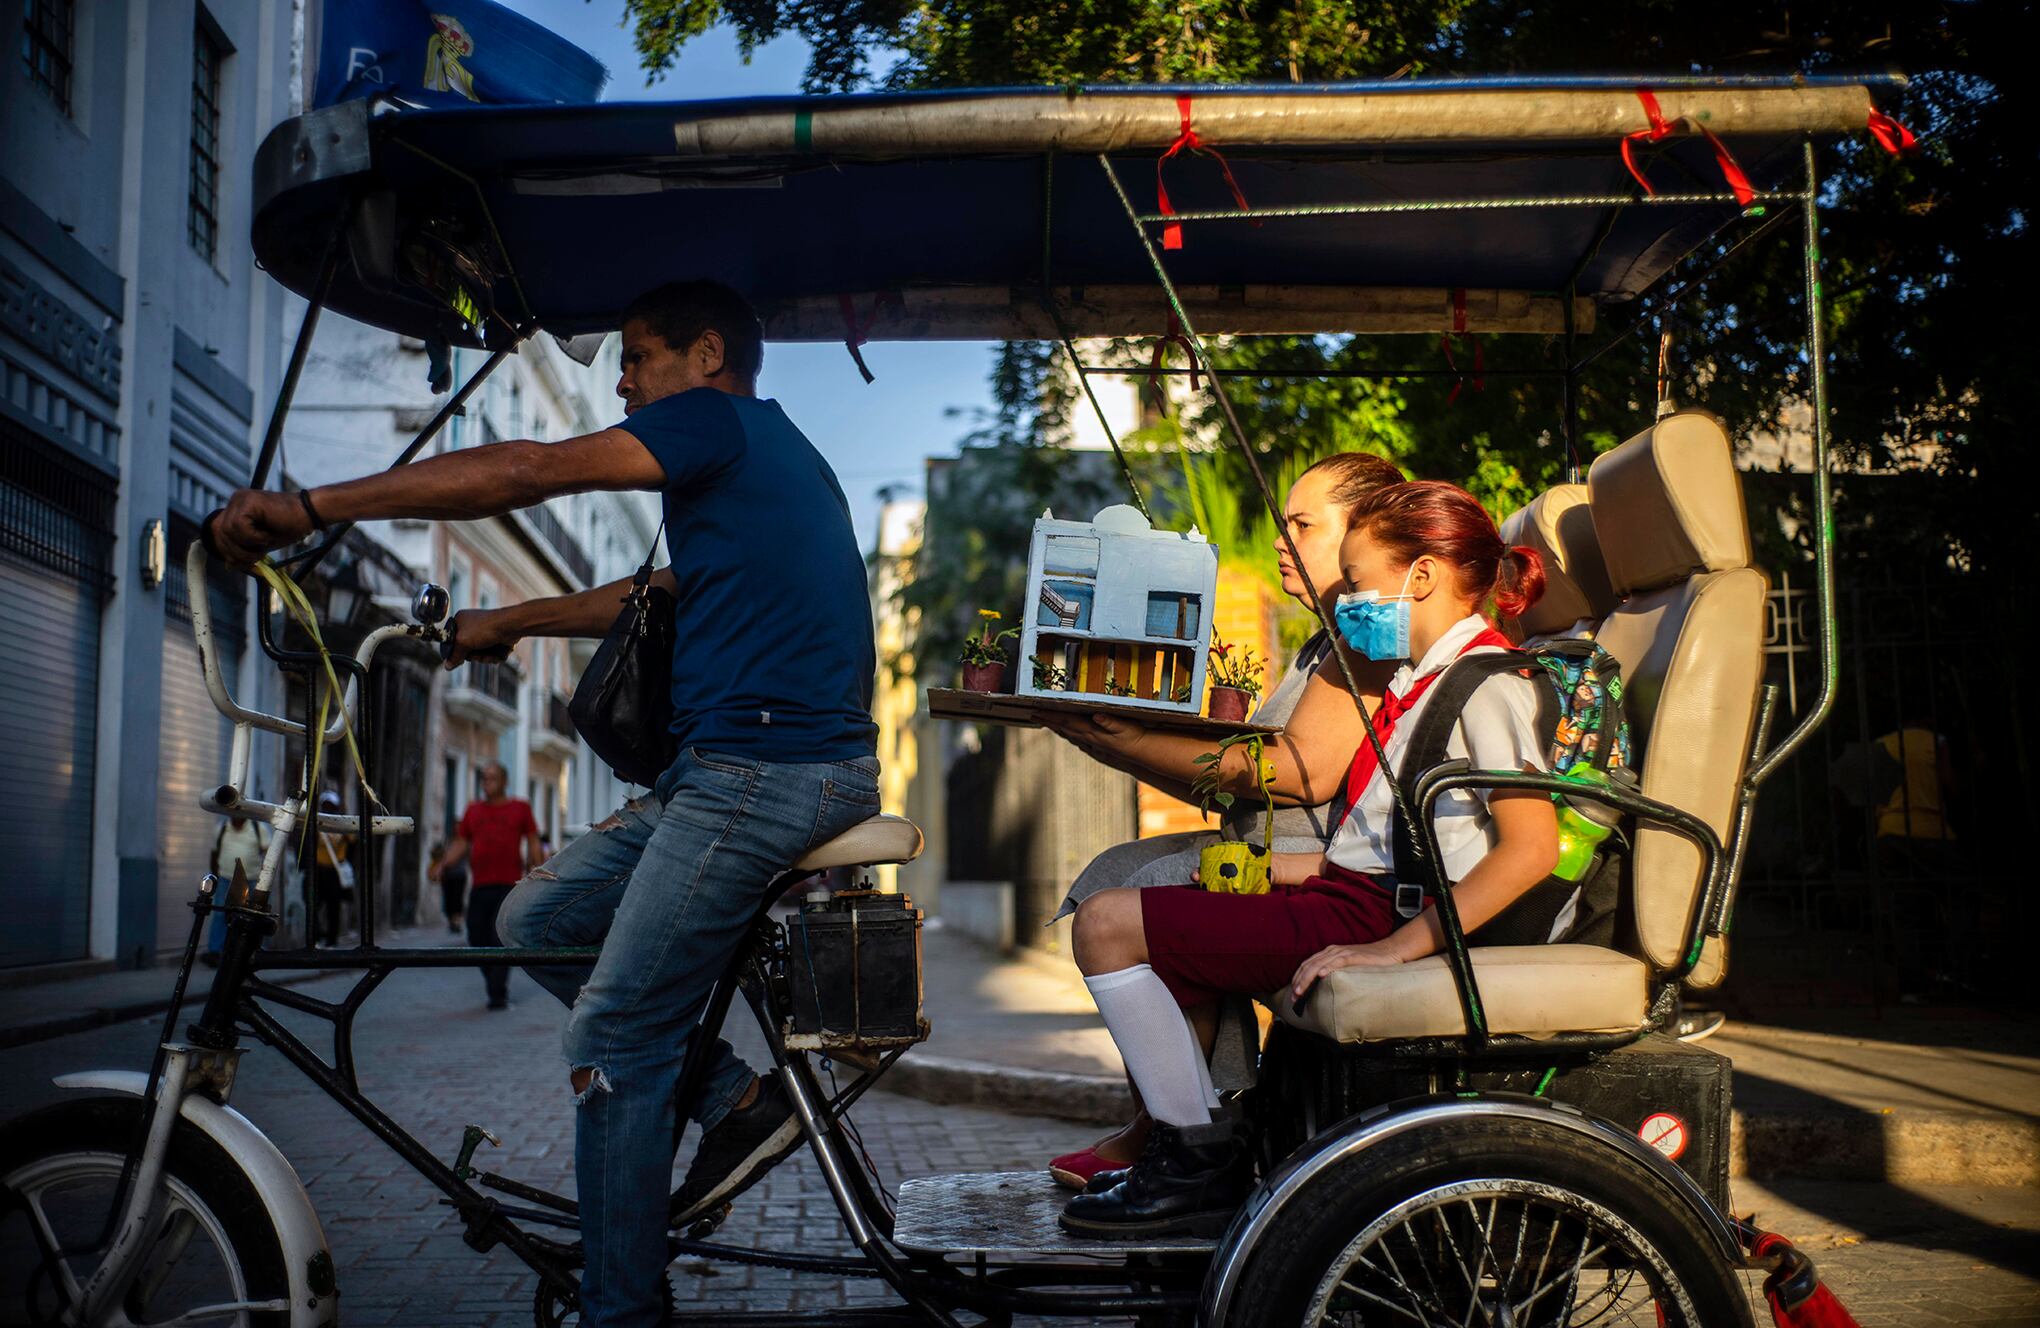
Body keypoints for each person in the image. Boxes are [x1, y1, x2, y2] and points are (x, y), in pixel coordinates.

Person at [208, 278, 878, 1328]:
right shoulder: (760, 461)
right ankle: (733, 1100)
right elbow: (661, 593)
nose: (622, 382)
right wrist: (515, 618)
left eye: (638, 358)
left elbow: (528, 468)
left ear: (707, 355)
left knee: (614, 1035)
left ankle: (620, 1310)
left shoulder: (718, 423)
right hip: (729, 770)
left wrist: (310, 509)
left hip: (765, 771)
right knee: (532, 916)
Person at [1058, 481, 1559, 1238]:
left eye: (1357, 584)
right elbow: (1391, 839)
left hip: (1373, 915)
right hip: (1349, 894)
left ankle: (1196, 1162)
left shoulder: (1487, 686)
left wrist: (1396, 947)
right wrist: (1281, 870)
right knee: (1135, 906)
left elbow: (1530, 848)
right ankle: (1200, 1144)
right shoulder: (1419, 681)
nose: (1347, 603)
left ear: (1421, 577)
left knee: (1104, 927)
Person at [1036, 452, 1403, 1187]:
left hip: (1306, 864)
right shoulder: (1321, 640)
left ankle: (1186, 1134)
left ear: (1365, 532)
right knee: (1115, 871)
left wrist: (1129, 742)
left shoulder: (1363, 639)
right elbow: (1239, 781)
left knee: (1141, 895)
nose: (1281, 540)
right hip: (1259, 843)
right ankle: (1174, 1113)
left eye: (1302, 525)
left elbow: (1299, 775)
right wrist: (1113, 744)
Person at [432, 763, 544, 1009]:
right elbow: (461, 843)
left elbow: (533, 841)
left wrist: (538, 869)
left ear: (504, 782)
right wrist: (443, 865)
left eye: (492, 778)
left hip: (509, 887)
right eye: (484, 778)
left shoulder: (520, 808)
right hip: (480, 886)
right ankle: (495, 981)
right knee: (476, 936)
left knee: (499, 938)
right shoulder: (473, 810)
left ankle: (497, 993)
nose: (486, 782)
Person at [203, 811, 270, 966]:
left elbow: (268, 853)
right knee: (220, 914)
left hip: (252, 880)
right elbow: (214, 854)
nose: (237, 816)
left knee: (252, 915)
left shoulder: (258, 828)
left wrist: (264, 878)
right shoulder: (221, 828)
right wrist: (215, 878)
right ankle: (215, 952)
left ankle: (251, 951)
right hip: (225, 879)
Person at [310, 790, 355, 948]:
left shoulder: (342, 824)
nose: (328, 809)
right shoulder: (316, 822)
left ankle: (331, 939)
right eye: (326, 806)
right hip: (318, 869)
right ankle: (315, 937)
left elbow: (352, 841)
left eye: (331, 806)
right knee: (313, 904)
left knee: (333, 907)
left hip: (334, 871)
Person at [429, 839, 470, 933]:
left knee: (456, 899)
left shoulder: (462, 841)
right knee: (449, 899)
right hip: (448, 875)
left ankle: (456, 921)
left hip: (459, 875)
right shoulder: (446, 842)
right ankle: (452, 921)